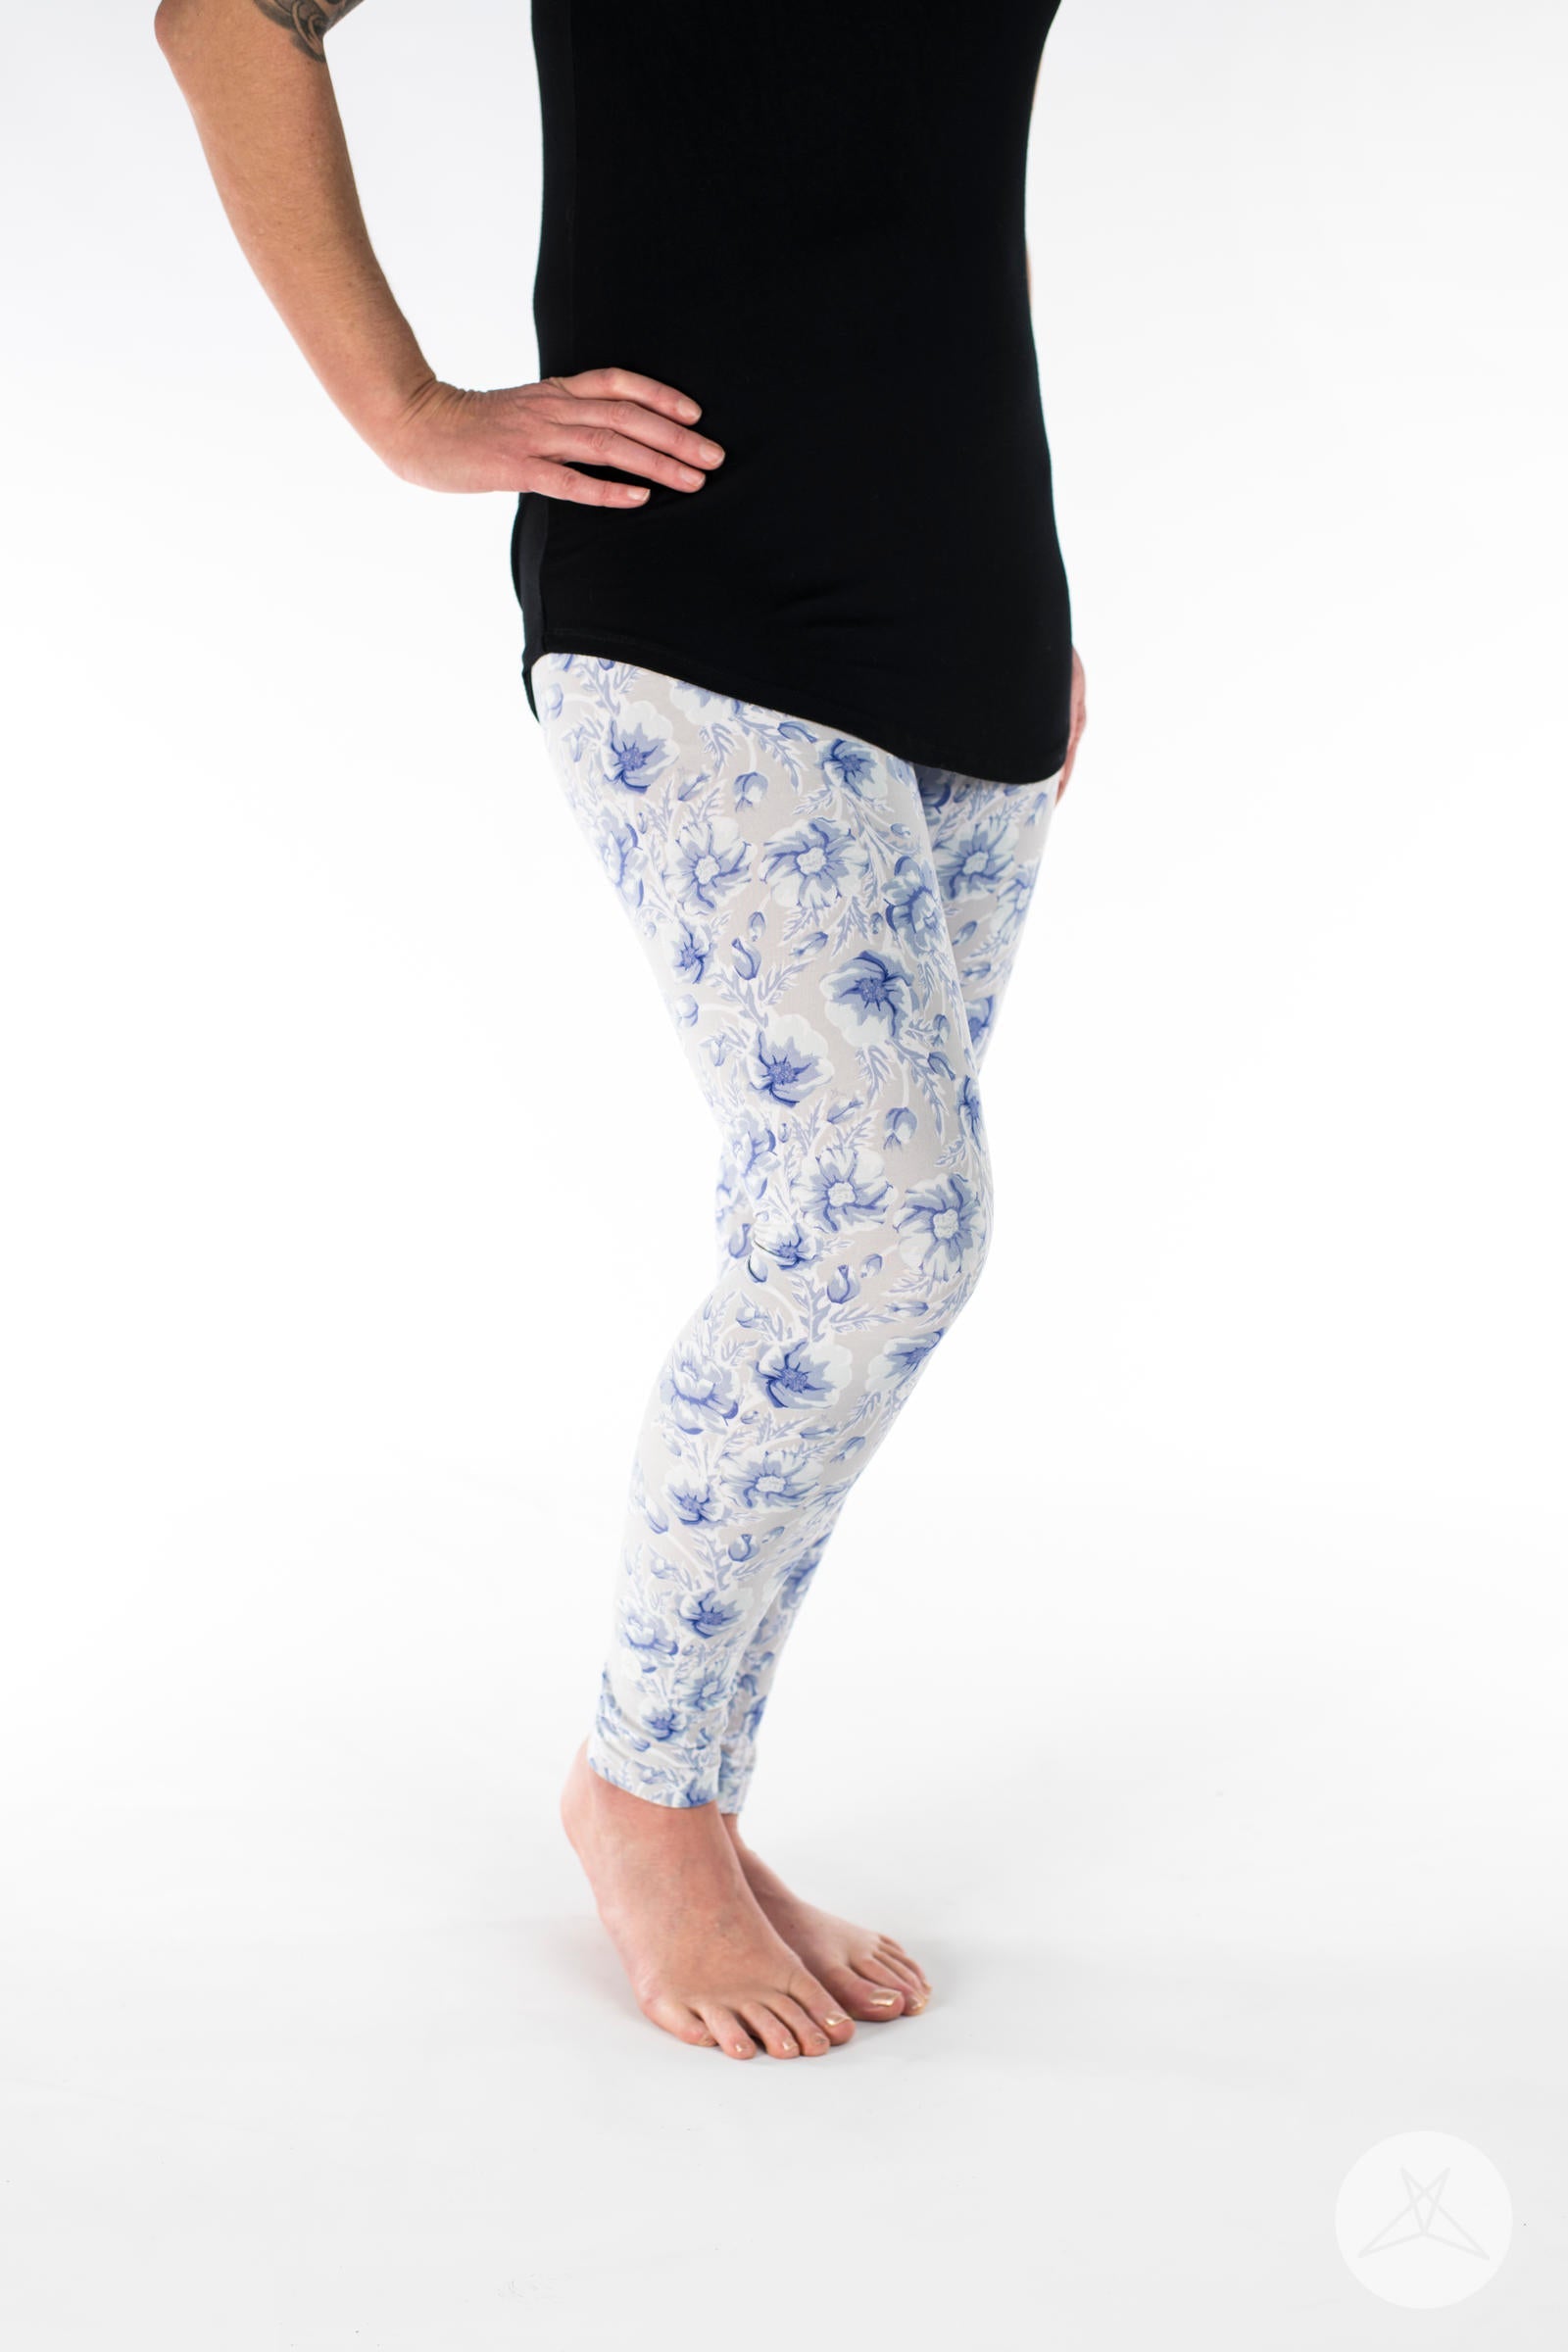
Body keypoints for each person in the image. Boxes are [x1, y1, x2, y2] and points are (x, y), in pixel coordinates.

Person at [155, 0, 1089, 2063]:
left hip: (974, 597)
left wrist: (1025, 581)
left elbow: (930, 178)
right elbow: (229, 13)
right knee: (881, 1230)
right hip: (698, 590)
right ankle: (642, 1796)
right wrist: (406, 409)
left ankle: (696, 1799)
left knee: (838, 1264)